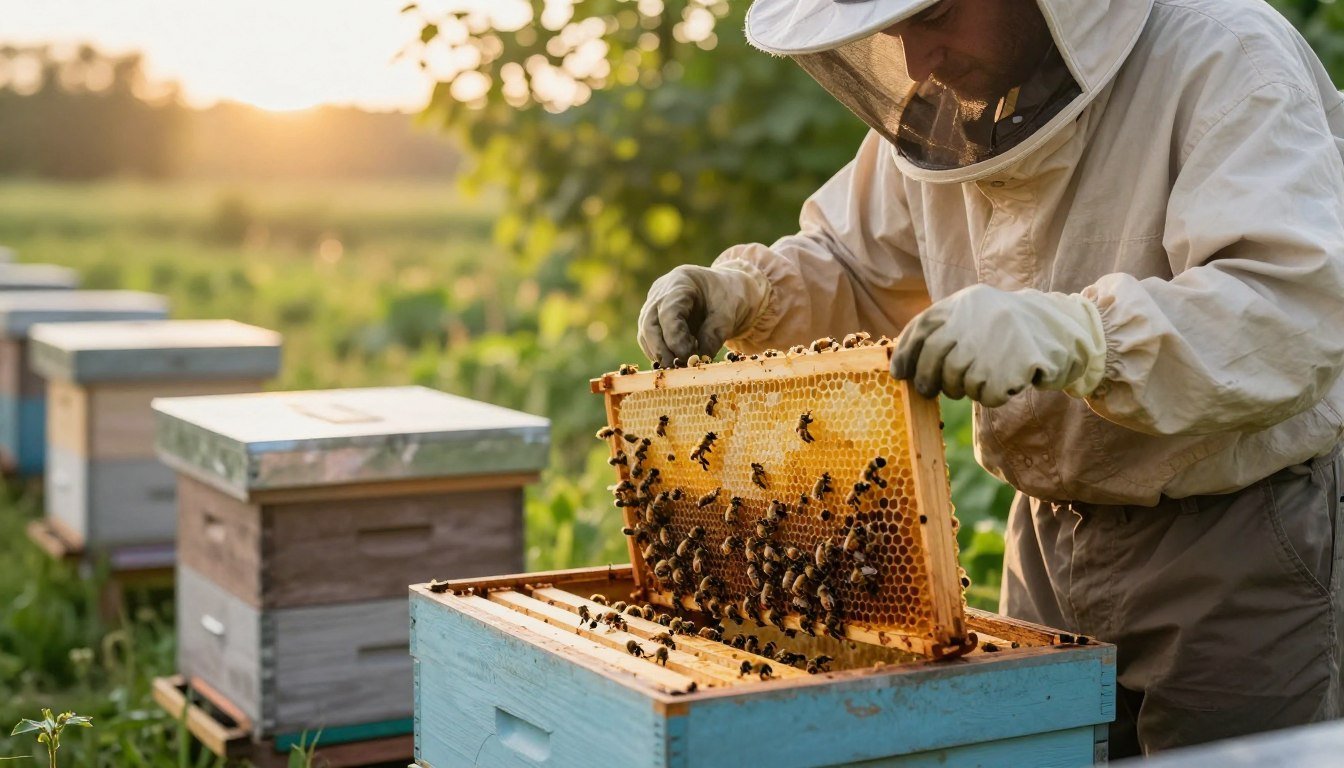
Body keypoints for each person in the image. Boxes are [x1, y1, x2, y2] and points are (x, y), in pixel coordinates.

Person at [637, 0, 1344, 757]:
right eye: (895, 30)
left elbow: (1291, 303)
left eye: (936, 15)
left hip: (1234, 540)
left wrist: (1079, 334)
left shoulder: (1225, 53)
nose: (916, 60)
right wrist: (745, 292)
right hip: (1044, 541)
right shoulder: (951, 106)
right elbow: (854, 264)